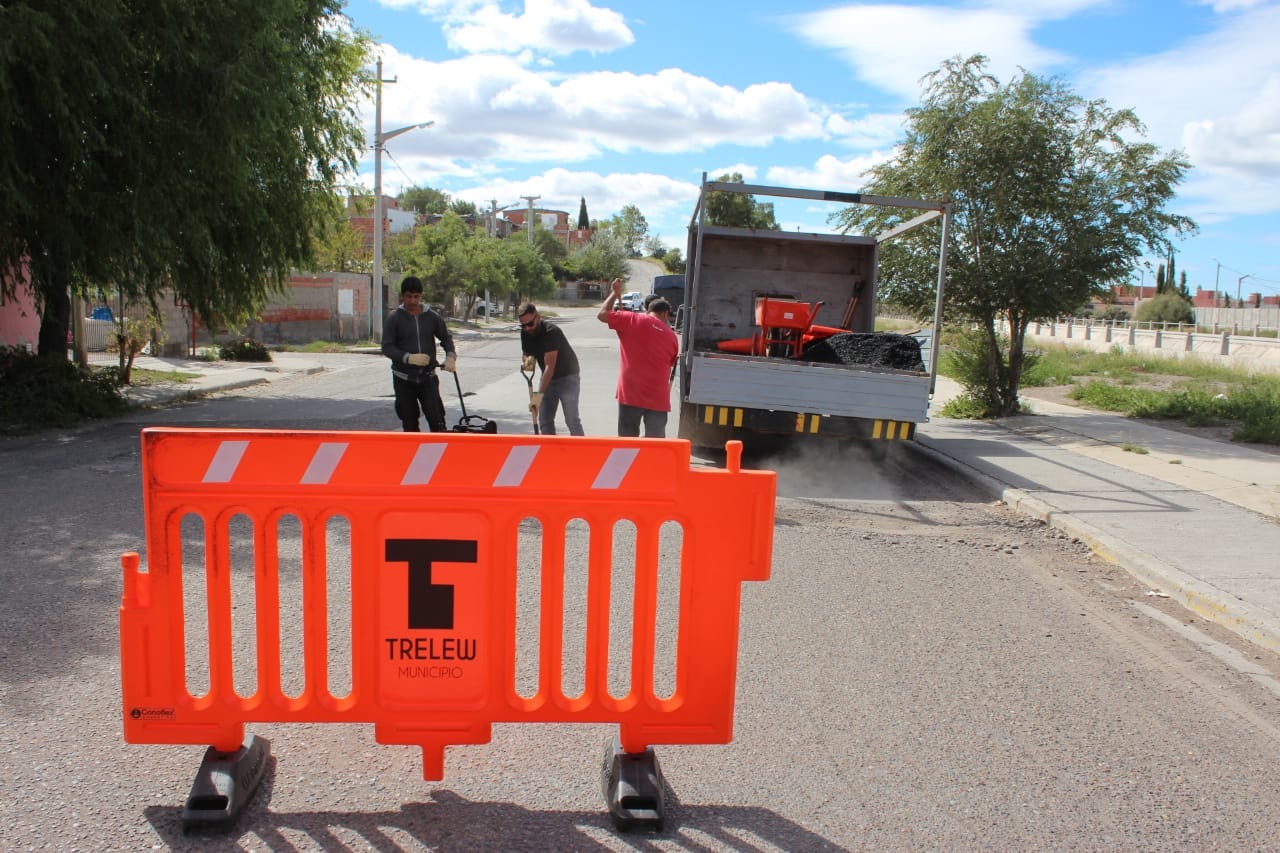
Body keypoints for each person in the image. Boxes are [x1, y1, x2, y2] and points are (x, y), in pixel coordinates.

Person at [597, 278, 680, 437]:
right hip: (658, 398)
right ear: (665, 314)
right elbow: (669, 363)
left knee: (628, 444)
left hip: (631, 394)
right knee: (655, 446)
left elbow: (602, 315)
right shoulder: (672, 337)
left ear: (648, 310)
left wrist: (615, 293)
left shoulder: (631, 319)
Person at [381, 276, 456, 432]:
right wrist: (408, 358)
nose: (413, 301)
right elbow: (387, 347)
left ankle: (440, 454)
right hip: (403, 379)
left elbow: (446, 338)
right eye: (409, 296)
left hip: (427, 378)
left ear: (421, 296)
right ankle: (412, 454)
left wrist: (450, 356)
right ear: (402, 296)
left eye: (416, 297)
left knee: (437, 421)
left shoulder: (432, 317)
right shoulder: (394, 318)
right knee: (409, 423)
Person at [518, 303, 585, 436]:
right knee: (545, 421)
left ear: (538, 317)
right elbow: (527, 353)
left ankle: (580, 453)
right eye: (523, 325)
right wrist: (527, 361)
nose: (527, 328)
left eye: (530, 324)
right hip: (549, 378)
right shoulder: (525, 333)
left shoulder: (551, 332)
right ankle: (549, 453)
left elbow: (550, 367)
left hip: (568, 376)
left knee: (572, 420)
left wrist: (537, 398)